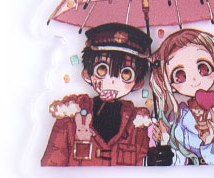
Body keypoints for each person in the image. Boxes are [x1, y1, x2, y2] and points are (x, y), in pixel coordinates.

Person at [41, 23, 153, 167]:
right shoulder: (71, 114)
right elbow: (52, 164)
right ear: (87, 75)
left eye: (126, 73)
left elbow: (142, 168)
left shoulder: (137, 123)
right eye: (102, 70)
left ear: (137, 83)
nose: (112, 80)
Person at [150, 29, 214, 165]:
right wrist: (165, 143)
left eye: (204, 68)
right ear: (170, 85)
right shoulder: (178, 118)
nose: (194, 80)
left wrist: (211, 142)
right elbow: (177, 162)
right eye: (180, 76)